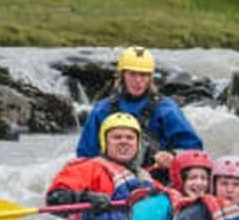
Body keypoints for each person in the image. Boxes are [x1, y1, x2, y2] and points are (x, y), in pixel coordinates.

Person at [75, 46, 203, 176]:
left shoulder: (166, 110)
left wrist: (172, 157)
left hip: (156, 178)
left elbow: (194, 151)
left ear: (150, 78)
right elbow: (85, 155)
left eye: (144, 75)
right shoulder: (102, 110)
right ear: (122, 76)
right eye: (132, 74)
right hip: (111, 178)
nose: (138, 80)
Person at [46, 112, 154, 220]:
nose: (124, 142)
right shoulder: (88, 168)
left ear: (137, 144)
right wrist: (86, 197)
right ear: (105, 142)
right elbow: (54, 199)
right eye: (117, 137)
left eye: (130, 138)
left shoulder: (144, 177)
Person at [128, 150, 213, 220]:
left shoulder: (209, 207)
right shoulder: (155, 204)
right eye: (192, 178)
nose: (199, 183)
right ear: (179, 179)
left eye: (204, 178)